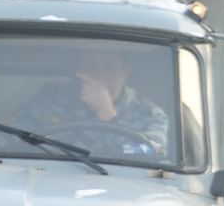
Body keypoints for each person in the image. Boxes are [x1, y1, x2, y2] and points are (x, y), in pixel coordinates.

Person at [18, 46, 169, 155]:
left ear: (126, 72)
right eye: (91, 65)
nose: (100, 75)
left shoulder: (149, 114)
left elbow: (154, 151)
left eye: (110, 67)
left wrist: (107, 114)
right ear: (80, 70)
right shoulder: (51, 100)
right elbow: (9, 137)